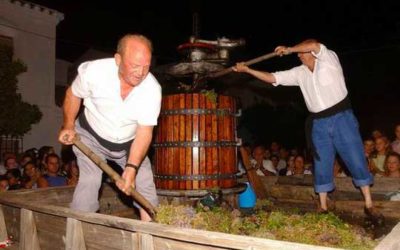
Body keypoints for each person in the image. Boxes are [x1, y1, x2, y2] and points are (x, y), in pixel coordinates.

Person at [233, 39, 380, 217]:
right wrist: (247, 69)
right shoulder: (299, 73)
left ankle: (369, 203)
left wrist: (289, 49)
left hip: (342, 117)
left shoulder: (328, 59)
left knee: (354, 155)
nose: (299, 56)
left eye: (301, 52)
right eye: (298, 54)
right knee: (321, 162)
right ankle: (323, 206)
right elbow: (273, 78)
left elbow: (314, 44)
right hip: (319, 122)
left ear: (310, 53)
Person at [58, 34, 161, 221]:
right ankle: (78, 232)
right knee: (90, 180)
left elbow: (145, 132)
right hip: (90, 136)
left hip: (130, 144)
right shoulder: (94, 72)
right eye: (135, 66)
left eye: (146, 67)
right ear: (118, 59)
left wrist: (131, 168)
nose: (141, 72)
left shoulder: (152, 89)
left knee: (144, 183)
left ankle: (151, 235)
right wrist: (68, 125)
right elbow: (73, 94)